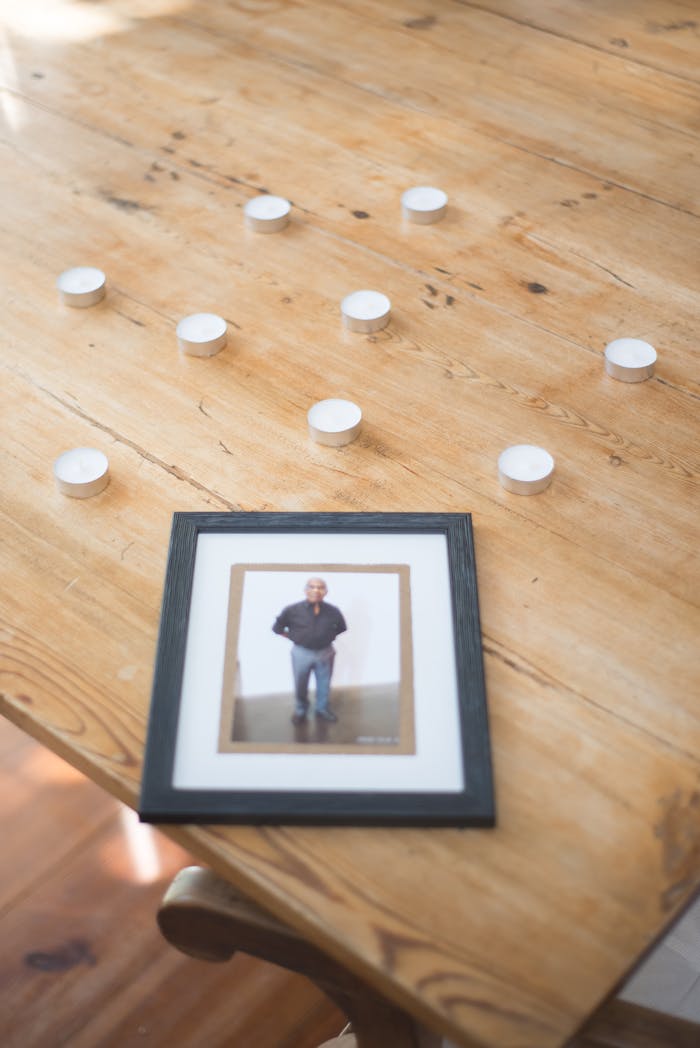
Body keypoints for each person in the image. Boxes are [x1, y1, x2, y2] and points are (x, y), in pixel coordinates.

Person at [272, 577, 347, 724]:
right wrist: (295, 637)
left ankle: (322, 709)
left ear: (326, 591)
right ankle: (301, 710)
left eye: (320, 587)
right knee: (301, 683)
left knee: (324, 683)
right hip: (301, 653)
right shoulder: (292, 610)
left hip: (326, 652)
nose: (316, 590)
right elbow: (277, 628)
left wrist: (326, 637)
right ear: (305, 590)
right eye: (312, 587)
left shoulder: (333, 611)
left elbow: (341, 628)